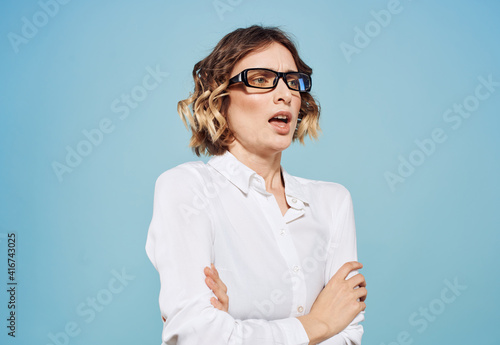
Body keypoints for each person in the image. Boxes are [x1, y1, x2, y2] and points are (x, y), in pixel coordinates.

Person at [145, 25, 367, 345]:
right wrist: (317, 323)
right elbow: (198, 336)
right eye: (260, 79)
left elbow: (346, 333)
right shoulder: (186, 189)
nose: (285, 94)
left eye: (293, 81)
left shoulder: (332, 203)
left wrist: (234, 324)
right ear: (220, 97)